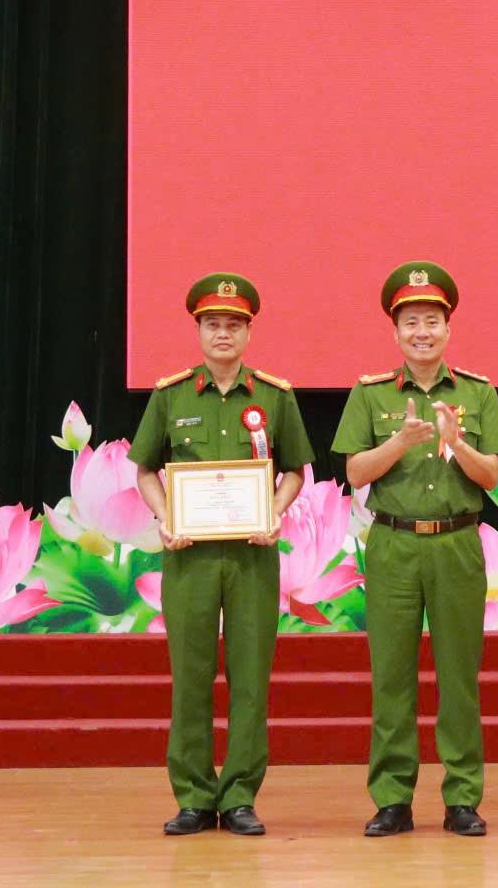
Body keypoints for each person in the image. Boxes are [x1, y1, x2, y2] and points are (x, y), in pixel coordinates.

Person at [330, 260, 498, 837]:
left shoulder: (478, 393)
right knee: (392, 677)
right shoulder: (370, 394)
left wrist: (457, 444)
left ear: (448, 328)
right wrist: (399, 442)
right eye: (411, 322)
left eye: (432, 321)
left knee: (459, 678)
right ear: (396, 332)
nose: (422, 332)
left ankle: (462, 799)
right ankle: (392, 800)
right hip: (394, 544)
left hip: (457, 543)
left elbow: (491, 477)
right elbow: (356, 472)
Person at [129, 274, 312, 838]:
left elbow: (295, 471)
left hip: (253, 557)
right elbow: (145, 469)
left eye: (233, 324)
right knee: (191, 677)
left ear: (248, 331)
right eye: (212, 324)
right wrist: (166, 517)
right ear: (199, 331)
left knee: (250, 678)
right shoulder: (171, 395)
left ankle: (239, 796)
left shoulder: (274, 397)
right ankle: (193, 796)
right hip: (190, 557)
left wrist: (274, 511)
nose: (223, 334)